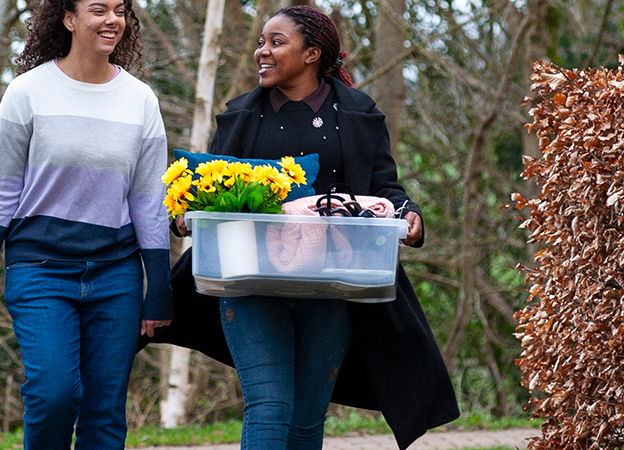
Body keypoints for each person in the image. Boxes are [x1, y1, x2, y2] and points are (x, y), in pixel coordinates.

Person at [157, 6, 458, 450]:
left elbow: (383, 188)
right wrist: (184, 214)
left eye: (276, 42)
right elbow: (207, 192)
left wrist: (409, 214)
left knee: (305, 415)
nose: (262, 51)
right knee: (269, 406)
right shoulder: (240, 114)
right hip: (250, 281)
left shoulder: (358, 113)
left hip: (330, 283)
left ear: (312, 53)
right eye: (262, 41)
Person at [0, 0, 171, 448]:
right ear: (69, 19)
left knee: (105, 409)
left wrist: (158, 289)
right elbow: (3, 192)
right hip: (41, 270)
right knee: (54, 395)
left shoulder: (140, 99)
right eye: (99, 9)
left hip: (117, 273)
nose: (113, 20)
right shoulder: (27, 92)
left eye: (121, 10)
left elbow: (148, 202)